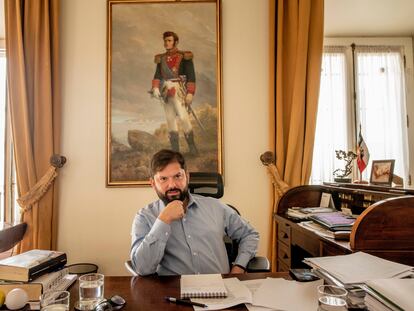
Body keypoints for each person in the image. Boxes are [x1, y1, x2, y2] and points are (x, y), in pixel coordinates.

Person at [130, 149, 259, 276]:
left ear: (187, 176)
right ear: (153, 183)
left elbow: (249, 234)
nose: (172, 185)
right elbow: (142, 268)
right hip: (173, 293)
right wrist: (163, 220)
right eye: (163, 179)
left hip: (220, 290)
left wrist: (239, 267)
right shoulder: (144, 217)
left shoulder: (215, 207)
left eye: (177, 176)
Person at [151, 31, 198, 155]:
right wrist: (155, 87)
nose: (166, 43)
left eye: (169, 40)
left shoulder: (184, 57)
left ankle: (192, 147)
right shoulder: (161, 59)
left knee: (183, 117)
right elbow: (157, 75)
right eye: (165, 40)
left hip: (179, 90)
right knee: (170, 119)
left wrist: (190, 93)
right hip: (165, 91)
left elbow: (191, 76)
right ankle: (175, 152)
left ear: (175, 42)